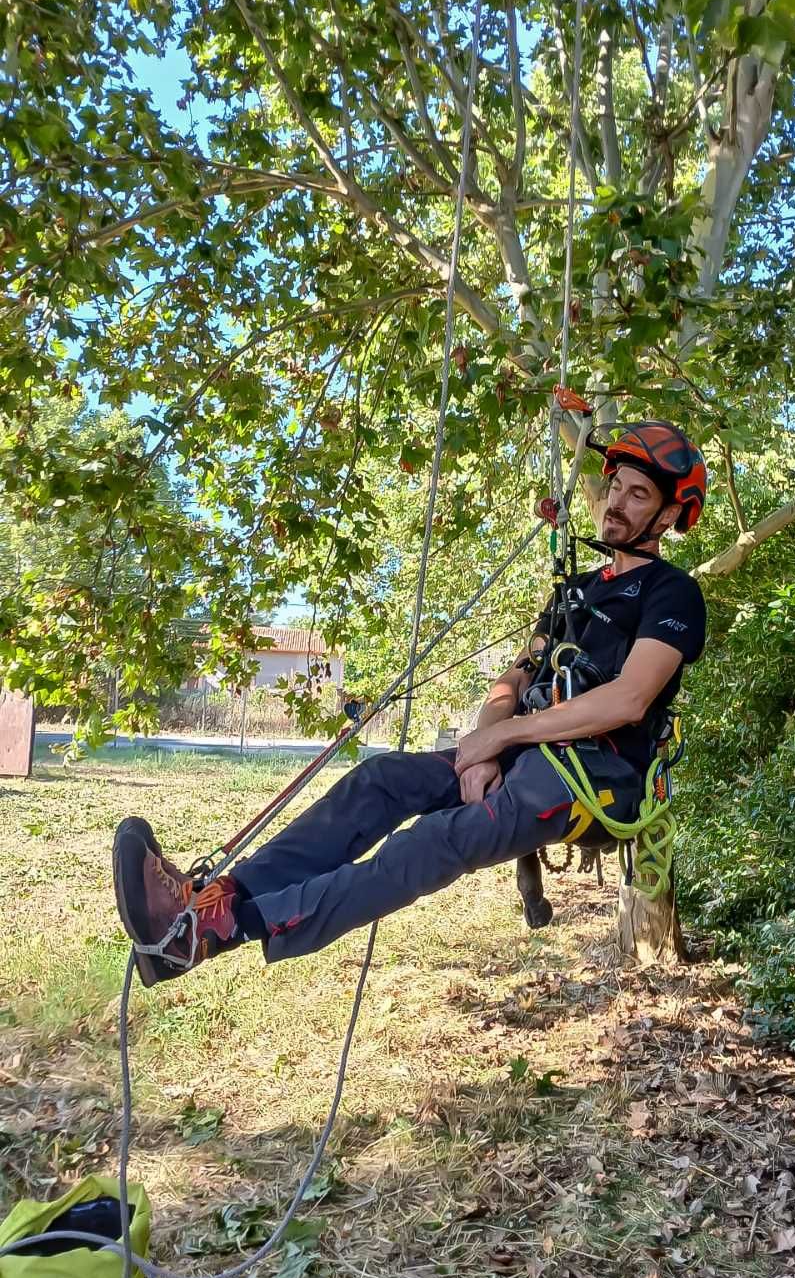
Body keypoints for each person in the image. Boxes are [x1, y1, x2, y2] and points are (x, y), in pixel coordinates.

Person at [113, 421, 708, 987]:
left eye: (638, 495)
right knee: (379, 780)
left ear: (671, 513)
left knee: (430, 842)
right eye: (615, 489)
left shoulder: (672, 592)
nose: (617, 504)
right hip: (526, 753)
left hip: (592, 780)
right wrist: (482, 748)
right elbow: (518, 675)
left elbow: (630, 699)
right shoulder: (574, 592)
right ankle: (216, 899)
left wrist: (504, 739)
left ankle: (214, 934)